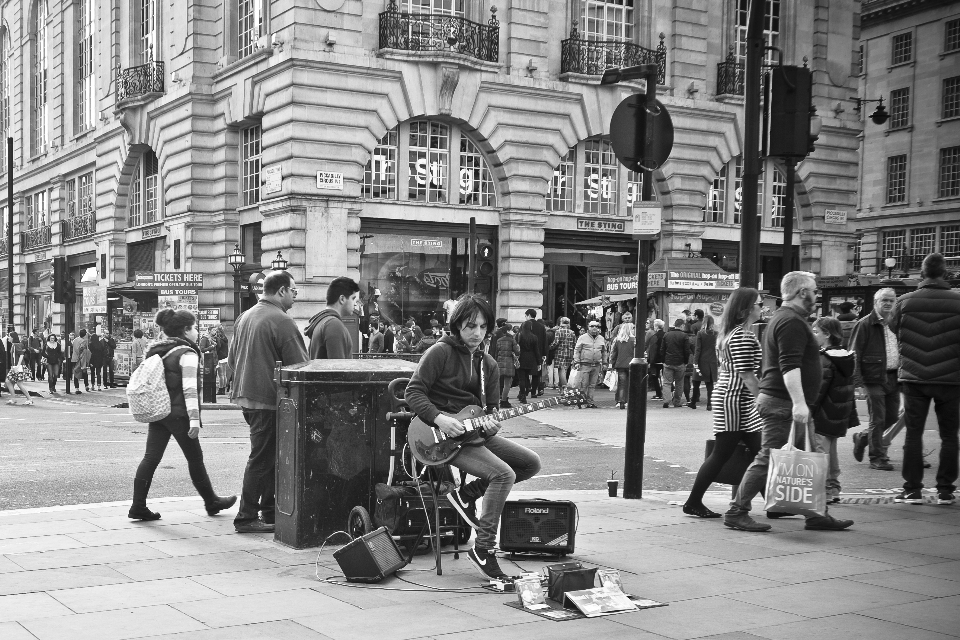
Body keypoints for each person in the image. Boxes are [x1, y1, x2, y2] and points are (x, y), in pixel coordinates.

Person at [404, 294, 541, 579]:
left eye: (481, 326)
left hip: (475, 434)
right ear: (456, 326)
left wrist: (493, 424)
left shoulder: (488, 364)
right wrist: (440, 418)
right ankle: (484, 549)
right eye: (469, 327)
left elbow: (490, 410)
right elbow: (413, 392)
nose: (476, 333)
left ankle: (466, 494)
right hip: (442, 438)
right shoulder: (440, 352)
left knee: (530, 463)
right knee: (503, 474)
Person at [724, 271, 854, 532]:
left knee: (813, 454)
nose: (817, 296)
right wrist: (799, 403)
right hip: (783, 402)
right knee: (768, 457)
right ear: (802, 292)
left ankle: (816, 514)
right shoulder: (791, 321)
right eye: (814, 291)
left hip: (784, 401)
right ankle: (737, 511)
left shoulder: (789, 318)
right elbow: (789, 365)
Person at [128, 309, 237, 521]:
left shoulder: (158, 350)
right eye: (194, 328)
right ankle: (212, 502)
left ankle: (138, 505)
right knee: (195, 458)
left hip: (160, 410)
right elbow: (189, 389)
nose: (197, 332)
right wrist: (195, 419)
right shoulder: (186, 353)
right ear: (186, 331)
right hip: (179, 414)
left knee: (151, 458)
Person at [230, 270, 310, 533]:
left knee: (268, 456)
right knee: (262, 459)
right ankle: (246, 516)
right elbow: (300, 368)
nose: (295, 297)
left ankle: (268, 510)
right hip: (268, 399)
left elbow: (232, 360)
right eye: (294, 291)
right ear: (282, 291)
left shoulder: (245, 316)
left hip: (247, 396)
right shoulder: (282, 321)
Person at [683, 288, 764, 518]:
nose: (762, 307)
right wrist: (762, 401)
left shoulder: (732, 333)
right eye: (758, 304)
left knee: (761, 452)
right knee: (722, 454)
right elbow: (747, 374)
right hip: (735, 400)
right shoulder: (742, 335)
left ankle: (775, 504)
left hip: (735, 398)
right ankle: (693, 502)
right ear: (745, 309)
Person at [888, 253, 960, 505]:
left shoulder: (904, 301)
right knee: (949, 435)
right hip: (950, 378)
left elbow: (892, 326)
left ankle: (912, 489)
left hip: (915, 377)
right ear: (944, 273)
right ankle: (945, 490)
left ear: (922, 272)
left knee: (914, 434)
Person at [811, 317, 859, 505]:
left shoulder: (825, 359)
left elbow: (819, 389)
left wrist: (808, 410)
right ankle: (834, 487)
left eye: (816, 332)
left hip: (823, 412)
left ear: (827, 334)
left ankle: (823, 490)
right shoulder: (844, 356)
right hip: (837, 412)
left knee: (820, 451)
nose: (814, 335)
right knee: (831, 452)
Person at [849, 288, 898, 470]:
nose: (888, 303)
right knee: (877, 418)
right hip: (873, 378)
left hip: (893, 377)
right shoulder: (864, 324)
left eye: (891, 301)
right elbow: (854, 353)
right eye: (884, 300)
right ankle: (877, 458)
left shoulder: (895, 323)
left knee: (892, 416)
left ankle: (862, 437)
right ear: (876, 302)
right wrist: (858, 382)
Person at [305, 277, 360, 359]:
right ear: (342, 299)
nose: (355, 304)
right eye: (353, 298)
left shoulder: (323, 321)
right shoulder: (333, 325)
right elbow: (338, 369)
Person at [572, 320, 604, 408]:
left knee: (592, 385)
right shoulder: (582, 337)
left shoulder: (601, 338)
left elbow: (604, 351)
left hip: (596, 364)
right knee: (583, 384)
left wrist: (605, 363)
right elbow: (577, 350)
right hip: (584, 364)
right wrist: (577, 361)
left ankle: (590, 402)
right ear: (588, 327)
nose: (594, 328)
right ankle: (581, 402)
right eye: (592, 326)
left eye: (596, 326)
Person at [660, 319, 691, 409]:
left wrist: (663, 360)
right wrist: (685, 361)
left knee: (666, 382)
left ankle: (666, 400)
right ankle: (677, 402)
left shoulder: (667, 335)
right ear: (681, 326)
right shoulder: (684, 336)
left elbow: (662, 349)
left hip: (668, 362)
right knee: (679, 383)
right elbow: (686, 351)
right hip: (680, 363)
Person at [689, 315, 719, 410]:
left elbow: (698, 349)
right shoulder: (716, 334)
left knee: (696, 382)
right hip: (712, 361)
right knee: (709, 384)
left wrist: (695, 361)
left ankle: (693, 402)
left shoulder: (700, 333)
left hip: (701, 360)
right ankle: (709, 404)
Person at [610, 323, 635, 409]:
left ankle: (621, 401)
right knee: (630, 384)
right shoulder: (634, 340)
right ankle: (629, 401)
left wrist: (612, 364)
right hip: (632, 364)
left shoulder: (618, 340)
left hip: (620, 364)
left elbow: (614, 354)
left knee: (621, 384)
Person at [516, 321, 541, 404]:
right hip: (531, 358)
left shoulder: (519, 336)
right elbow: (536, 350)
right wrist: (538, 362)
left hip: (521, 357)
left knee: (521, 378)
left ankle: (522, 394)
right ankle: (526, 391)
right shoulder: (534, 337)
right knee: (526, 376)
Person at [495, 323, 520, 407]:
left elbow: (496, 352)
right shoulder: (512, 340)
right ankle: (504, 400)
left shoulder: (499, 340)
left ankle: (497, 399)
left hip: (500, 362)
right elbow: (517, 351)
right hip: (509, 363)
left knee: (498, 383)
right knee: (507, 384)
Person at [524, 309, 547, 398]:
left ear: (528, 315)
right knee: (536, 373)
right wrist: (544, 353)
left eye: (525, 316)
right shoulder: (541, 326)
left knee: (525, 372)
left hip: (526, 352)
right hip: (539, 352)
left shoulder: (525, 325)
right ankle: (533, 391)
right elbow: (544, 341)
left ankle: (526, 389)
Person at [552, 317, 576, 389]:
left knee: (561, 369)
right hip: (570, 352)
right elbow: (574, 343)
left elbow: (555, 343)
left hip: (560, 352)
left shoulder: (558, 331)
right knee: (565, 369)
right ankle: (561, 387)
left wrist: (549, 347)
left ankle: (564, 386)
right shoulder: (572, 332)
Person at [647, 319, 665, 400]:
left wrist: (650, 361)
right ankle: (667, 393)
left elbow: (653, 350)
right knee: (666, 377)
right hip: (665, 359)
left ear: (656, 326)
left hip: (656, 360)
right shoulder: (666, 335)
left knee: (655, 376)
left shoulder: (654, 337)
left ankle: (658, 393)